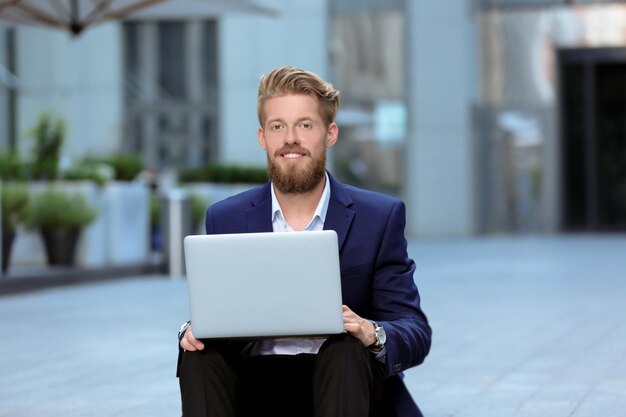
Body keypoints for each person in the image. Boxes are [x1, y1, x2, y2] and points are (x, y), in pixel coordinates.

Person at [177, 66, 432, 417]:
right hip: (256, 390)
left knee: (343, 347)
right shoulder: (226, 218)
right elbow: (218, 314)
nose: (290, 138)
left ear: (330, 134)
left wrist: (371, 331)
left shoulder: (378, 217)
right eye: (277, 126)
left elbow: (414, 330)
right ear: (262, 137)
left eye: (305, 125)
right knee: (198, 354)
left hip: (345, 384)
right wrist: (194, 330)